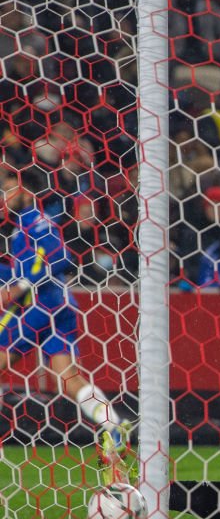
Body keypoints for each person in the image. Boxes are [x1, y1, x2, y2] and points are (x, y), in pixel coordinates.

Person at [0, 169, 130, 484]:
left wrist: (16, 288)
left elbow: (58, 257)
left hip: (42, 303)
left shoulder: (34, 220)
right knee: (67, 377)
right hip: (62, 303)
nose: (3, 196)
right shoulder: (23, 225)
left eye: (6, 188)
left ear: (23, 189)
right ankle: (111, 422)